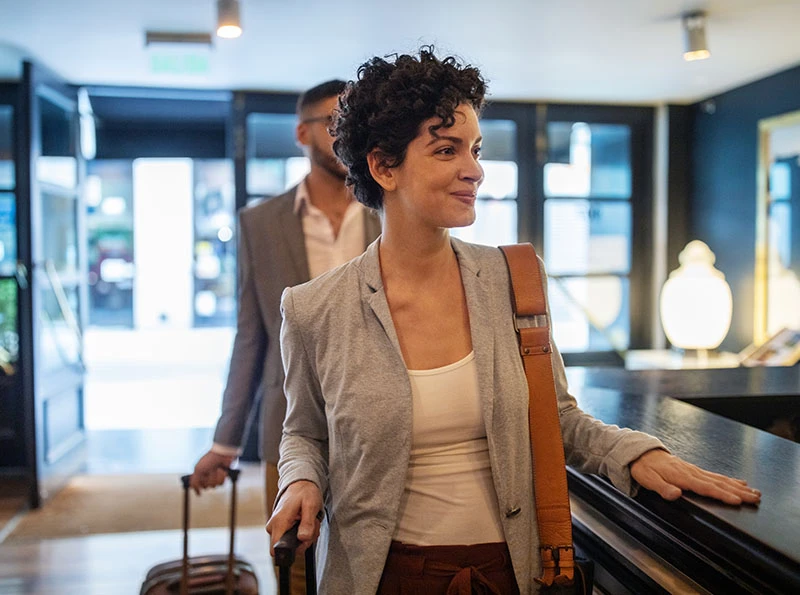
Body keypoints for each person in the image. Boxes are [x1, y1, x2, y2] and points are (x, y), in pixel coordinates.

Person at [266, 49, 761, 594]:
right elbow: (304, 433)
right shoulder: (314, 308)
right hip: (379, 576)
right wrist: (301, 479)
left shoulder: (513, 278)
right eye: (446, 150)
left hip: (509, 573)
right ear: (385, 166)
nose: (474, 169)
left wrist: (634, 451)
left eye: (475, 149)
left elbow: (557, 418)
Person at [189, 79, 381, 593]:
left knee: (377, 557)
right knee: (294, 564)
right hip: (290, 421)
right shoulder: (260, 223)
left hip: (383, 417)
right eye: (333, 123)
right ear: (302, 132)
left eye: (354, 125)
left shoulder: (392, 211)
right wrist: (225, 441)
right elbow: (250, 336)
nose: (347, 136)